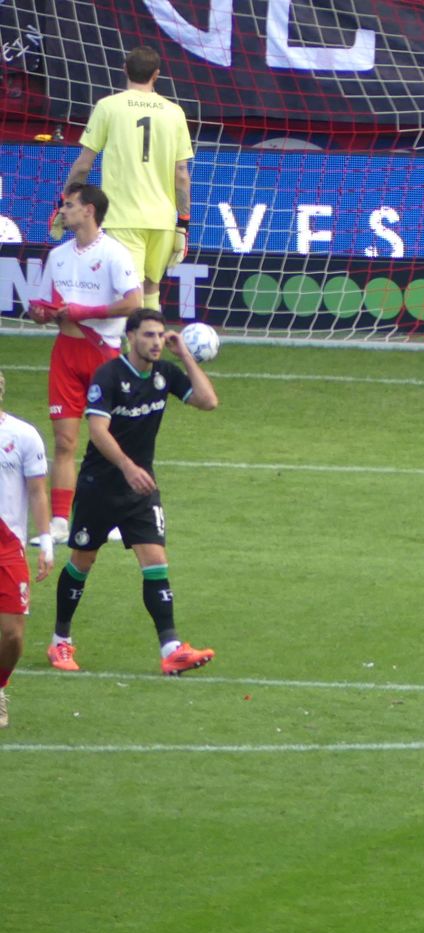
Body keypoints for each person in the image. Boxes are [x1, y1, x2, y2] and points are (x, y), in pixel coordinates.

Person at [47, 308, 218, 676]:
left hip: (141, 488)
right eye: (149, 335)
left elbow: (208, 401)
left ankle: (171, 648)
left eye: (160, 335)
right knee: (83, 561)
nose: (156, 342)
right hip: (101, 487)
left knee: (155, 561)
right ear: (131, 337)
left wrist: (184, 354)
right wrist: (127, 467)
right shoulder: (108, 376)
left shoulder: (165, 373)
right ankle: (60, 641)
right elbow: (97, 430)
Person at [28, 182, 143, 544]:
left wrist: (85, 312)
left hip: (102, 354)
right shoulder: (58, 256)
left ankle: (111, 517)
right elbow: (47, 303)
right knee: (64, 441)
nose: (62, 211)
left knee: (107, 438)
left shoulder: (114, 254)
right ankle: (61, 521)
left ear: (89, 210)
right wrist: (40, 313)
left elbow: (134, 302)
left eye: (69, 205)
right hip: (65, 352)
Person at [55, 45, 193, 311]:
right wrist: (183, 223)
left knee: (128, 295)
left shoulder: (108, 107)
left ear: (124, 70)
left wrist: (66, 200)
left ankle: (130, 352)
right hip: (162, 219)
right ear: (156, 75)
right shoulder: (174, 112)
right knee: (152, 289)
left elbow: (84, 165)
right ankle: (152, 349)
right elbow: (181, 175)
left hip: (123, 217)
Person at [0, 372, 55, 729]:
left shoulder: (22, 435)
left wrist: (46, 541)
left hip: (7, 546)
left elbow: (37, 491)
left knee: (12, 634)